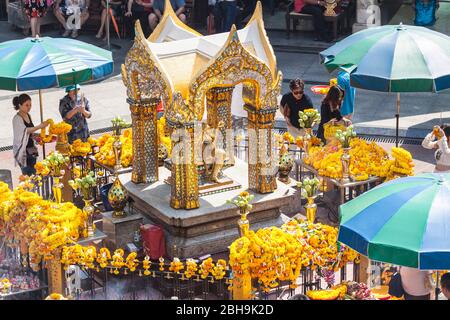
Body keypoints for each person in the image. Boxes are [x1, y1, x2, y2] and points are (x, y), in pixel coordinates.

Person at [12, 94, 50, 176]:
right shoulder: (17, 118)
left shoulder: (28, 115)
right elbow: (25, 131)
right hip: (23, 153)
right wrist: (40, 126)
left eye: (30, 105)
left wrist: (39, 138)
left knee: (33, 174)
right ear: (20, 105)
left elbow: (31, 133)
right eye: (26, 105)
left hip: (31, 150)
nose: (29, 107)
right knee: (28, 176)